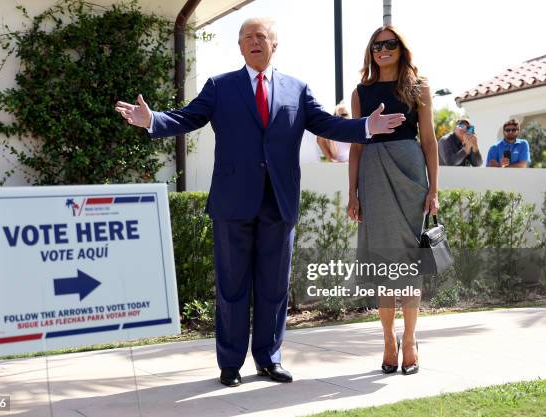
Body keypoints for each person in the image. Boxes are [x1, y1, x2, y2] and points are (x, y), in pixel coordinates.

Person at [116, 17, 405, 387]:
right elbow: (187, 118)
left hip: (279, 202)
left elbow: (325, 125)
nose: (254, 42)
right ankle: (230, 364)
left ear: (274, 45)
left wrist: (366, 127)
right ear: (239, 47)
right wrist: (151, 120)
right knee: (232, 287)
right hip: (233, 204)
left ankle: (269, 359)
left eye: (261, 36)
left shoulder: (297, 89)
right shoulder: (220, 87)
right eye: (247, 37)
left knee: (274, 287)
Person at [347, 26, 439, 375]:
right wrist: (352, 192)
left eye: (390, 44)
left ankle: (411, 338)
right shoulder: (361, 92)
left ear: (401, 49)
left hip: (411, 175)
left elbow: (429, 141)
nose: (382, 50)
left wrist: (434, 189)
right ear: (370, 52)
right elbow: (356, 146)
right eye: (376, 45)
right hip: (373, 174)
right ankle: (388, 339)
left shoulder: (419, 87)